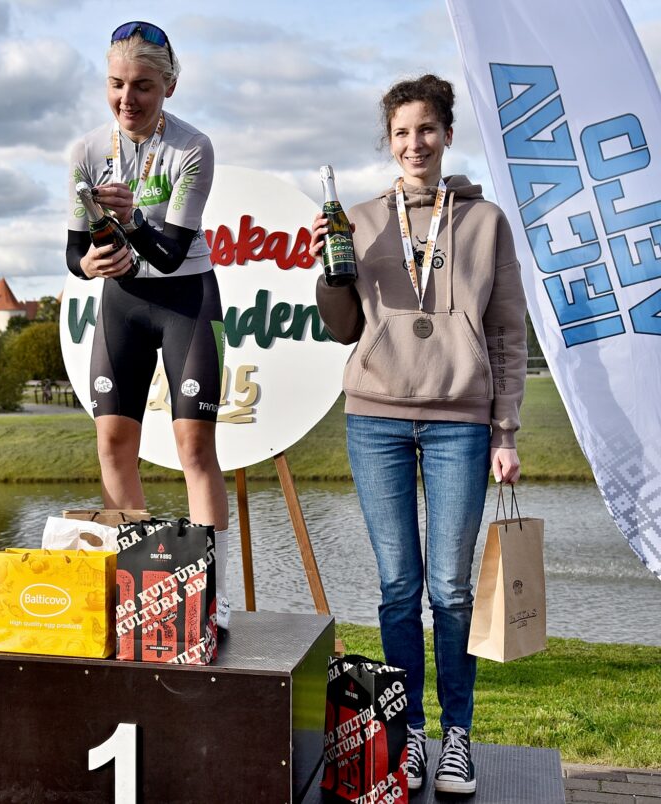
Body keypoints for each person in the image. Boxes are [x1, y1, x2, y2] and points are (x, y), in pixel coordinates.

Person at [310, 74, 526, 795]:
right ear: (389, 141)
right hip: (374, 417)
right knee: (399, 588)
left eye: (427, 129)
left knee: (452, 590)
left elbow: (507, 332)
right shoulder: (361, 219)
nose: (415, 143)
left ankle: (457, 735)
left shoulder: (486, 221)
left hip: (460, 421)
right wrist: (329, 273)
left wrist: (505, 430)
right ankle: (406, 741)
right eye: (401, 132)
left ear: (447, 135)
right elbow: (343, 327)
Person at [66, 22, 231, 627]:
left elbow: (167, 253)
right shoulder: (87, 151)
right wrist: (87, 264)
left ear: (169, 87)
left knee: (194, 448)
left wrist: (132, 219)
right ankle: (136, 589)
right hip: (123, 303)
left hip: (187, 297)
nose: (127, 99)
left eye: (142, 86)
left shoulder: (193, 147)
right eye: (116, 84)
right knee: (112, 443)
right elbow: (74, 251)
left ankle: (210, 594)